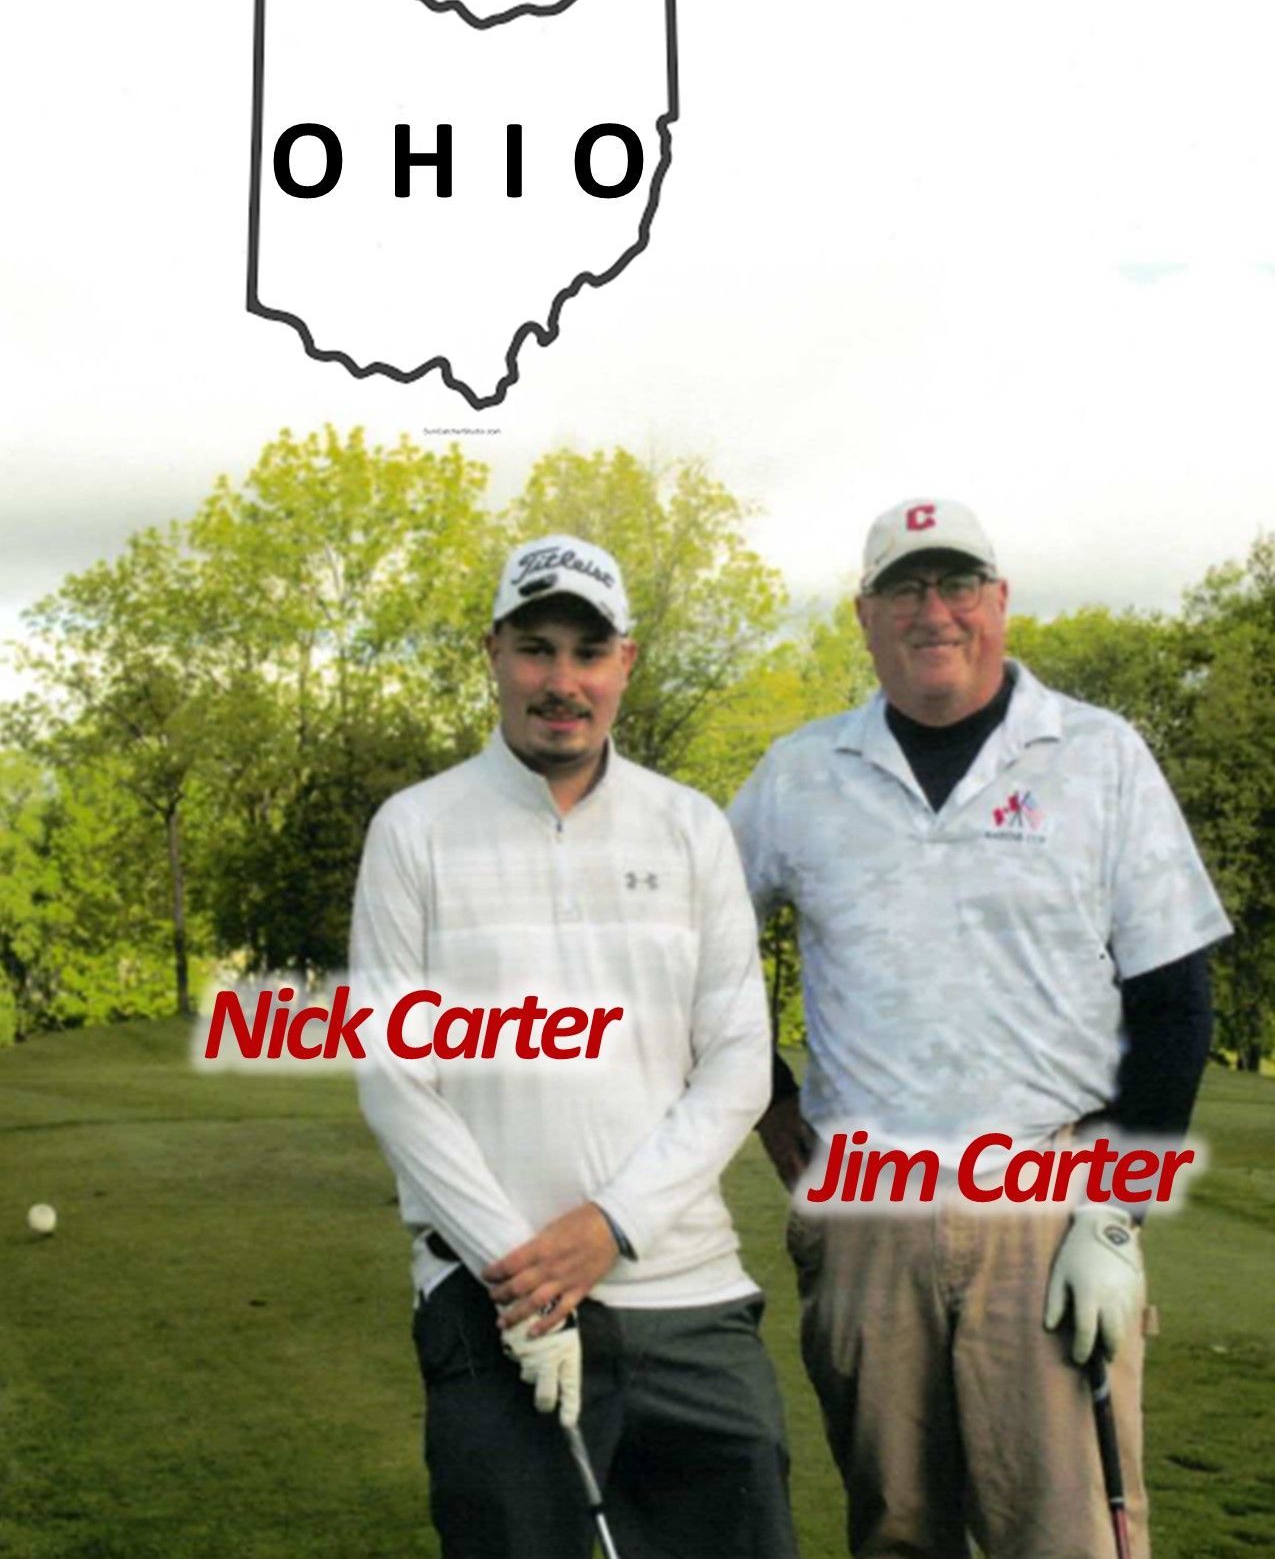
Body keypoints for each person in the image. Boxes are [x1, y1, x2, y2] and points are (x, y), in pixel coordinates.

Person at [729, 498, 1231, 1559]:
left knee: (1065, 1536)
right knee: (897, 1531)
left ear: (999, 602)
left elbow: (1176, 999)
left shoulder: (1099, 754)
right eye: (906, 588)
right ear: (864, 616)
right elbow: (696, 950)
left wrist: (1113, 1218)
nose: (935, 611)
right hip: (869, 1209)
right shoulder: (799, 773)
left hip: (1046, 1205)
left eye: (958, 585)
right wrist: (768, 1095)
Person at [351, 533, 799, 1559]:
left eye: (587, 653)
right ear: (494, 652)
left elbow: (736, 1060)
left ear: (625, 664)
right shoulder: (415, 829)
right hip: (491, 1305)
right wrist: (520, 1277)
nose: (563, 681)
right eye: (536, 648)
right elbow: (393, 1076)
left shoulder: (688, 830)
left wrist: (609, 1226)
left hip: (688, 1297)